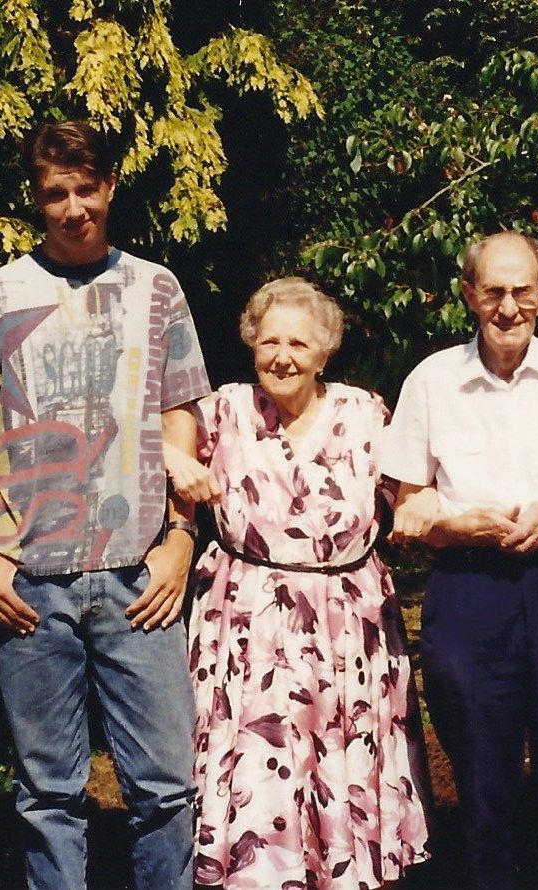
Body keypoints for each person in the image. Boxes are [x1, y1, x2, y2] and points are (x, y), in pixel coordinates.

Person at [0, 120, 210, 889]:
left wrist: (182, 538)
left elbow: (181, 413)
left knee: (165, 788)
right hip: (28, 579)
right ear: (36, 199)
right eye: (54, 194)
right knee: (47, 795)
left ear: (109, 189)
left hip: (141, 578)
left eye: (85, 189)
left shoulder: (157, 287)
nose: (71, 208)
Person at [165, 278, 429, 889]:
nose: (282, 356)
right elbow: (141, 438)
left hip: (348, 633)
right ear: (252, 342)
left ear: (324, 352)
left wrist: (428, 509)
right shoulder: (223, 410)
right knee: (258, 780)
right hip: (247, 625)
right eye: (270, 341)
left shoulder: (366, 413)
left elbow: (414, 489)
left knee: (341, 772)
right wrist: (175, 458)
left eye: (299, 344)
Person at [381, 232, 538, 890]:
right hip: (469, 586)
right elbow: (408, 501)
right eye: (492, 291)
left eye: (522, 291)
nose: (507, 306)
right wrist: (457, 527)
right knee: (486, 790)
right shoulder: (432, 379)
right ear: (468, 295)